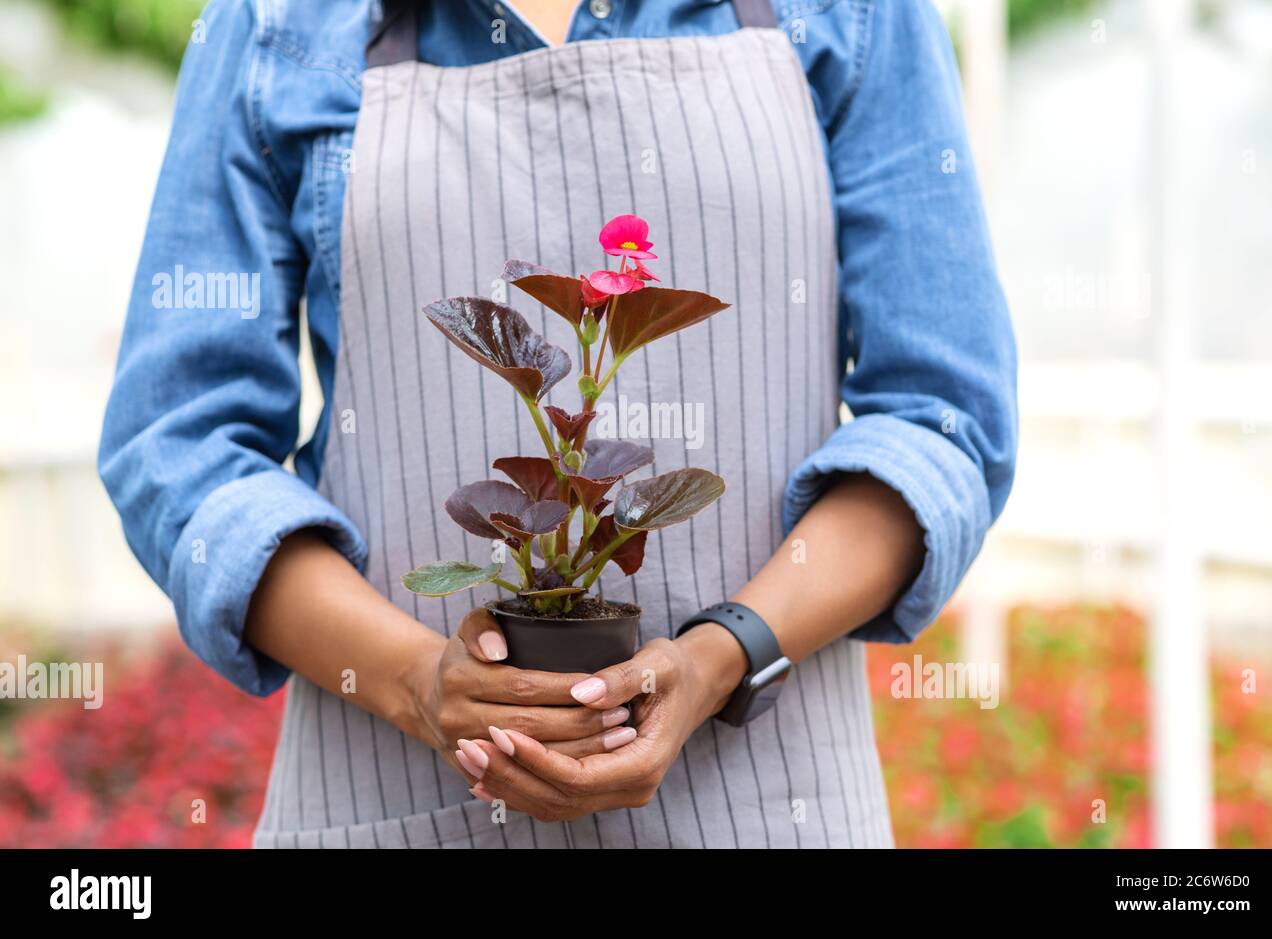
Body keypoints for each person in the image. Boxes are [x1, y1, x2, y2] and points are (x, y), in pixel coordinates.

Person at [99, 0, 1017, 848]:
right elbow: (181, 443)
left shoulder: (855, 14)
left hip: (766, 808)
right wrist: (418, 679)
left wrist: (720, 654)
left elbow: (942, 422)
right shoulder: (279, 24)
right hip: (389, 800)